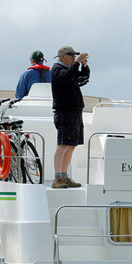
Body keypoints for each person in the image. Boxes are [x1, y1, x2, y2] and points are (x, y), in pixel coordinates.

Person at [50, 46, 89, 188]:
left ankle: (64, 176)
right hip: (64, 112)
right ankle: (57, 177)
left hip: (74, 111)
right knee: (63, 144)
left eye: (74, 57)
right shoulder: (57, 70)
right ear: (62, 57)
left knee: (71, 145)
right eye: (71, 56)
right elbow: (67, 76)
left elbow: (82, 78)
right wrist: (77, 63)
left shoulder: (68, 70)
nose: (73, 59)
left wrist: (84, 66)